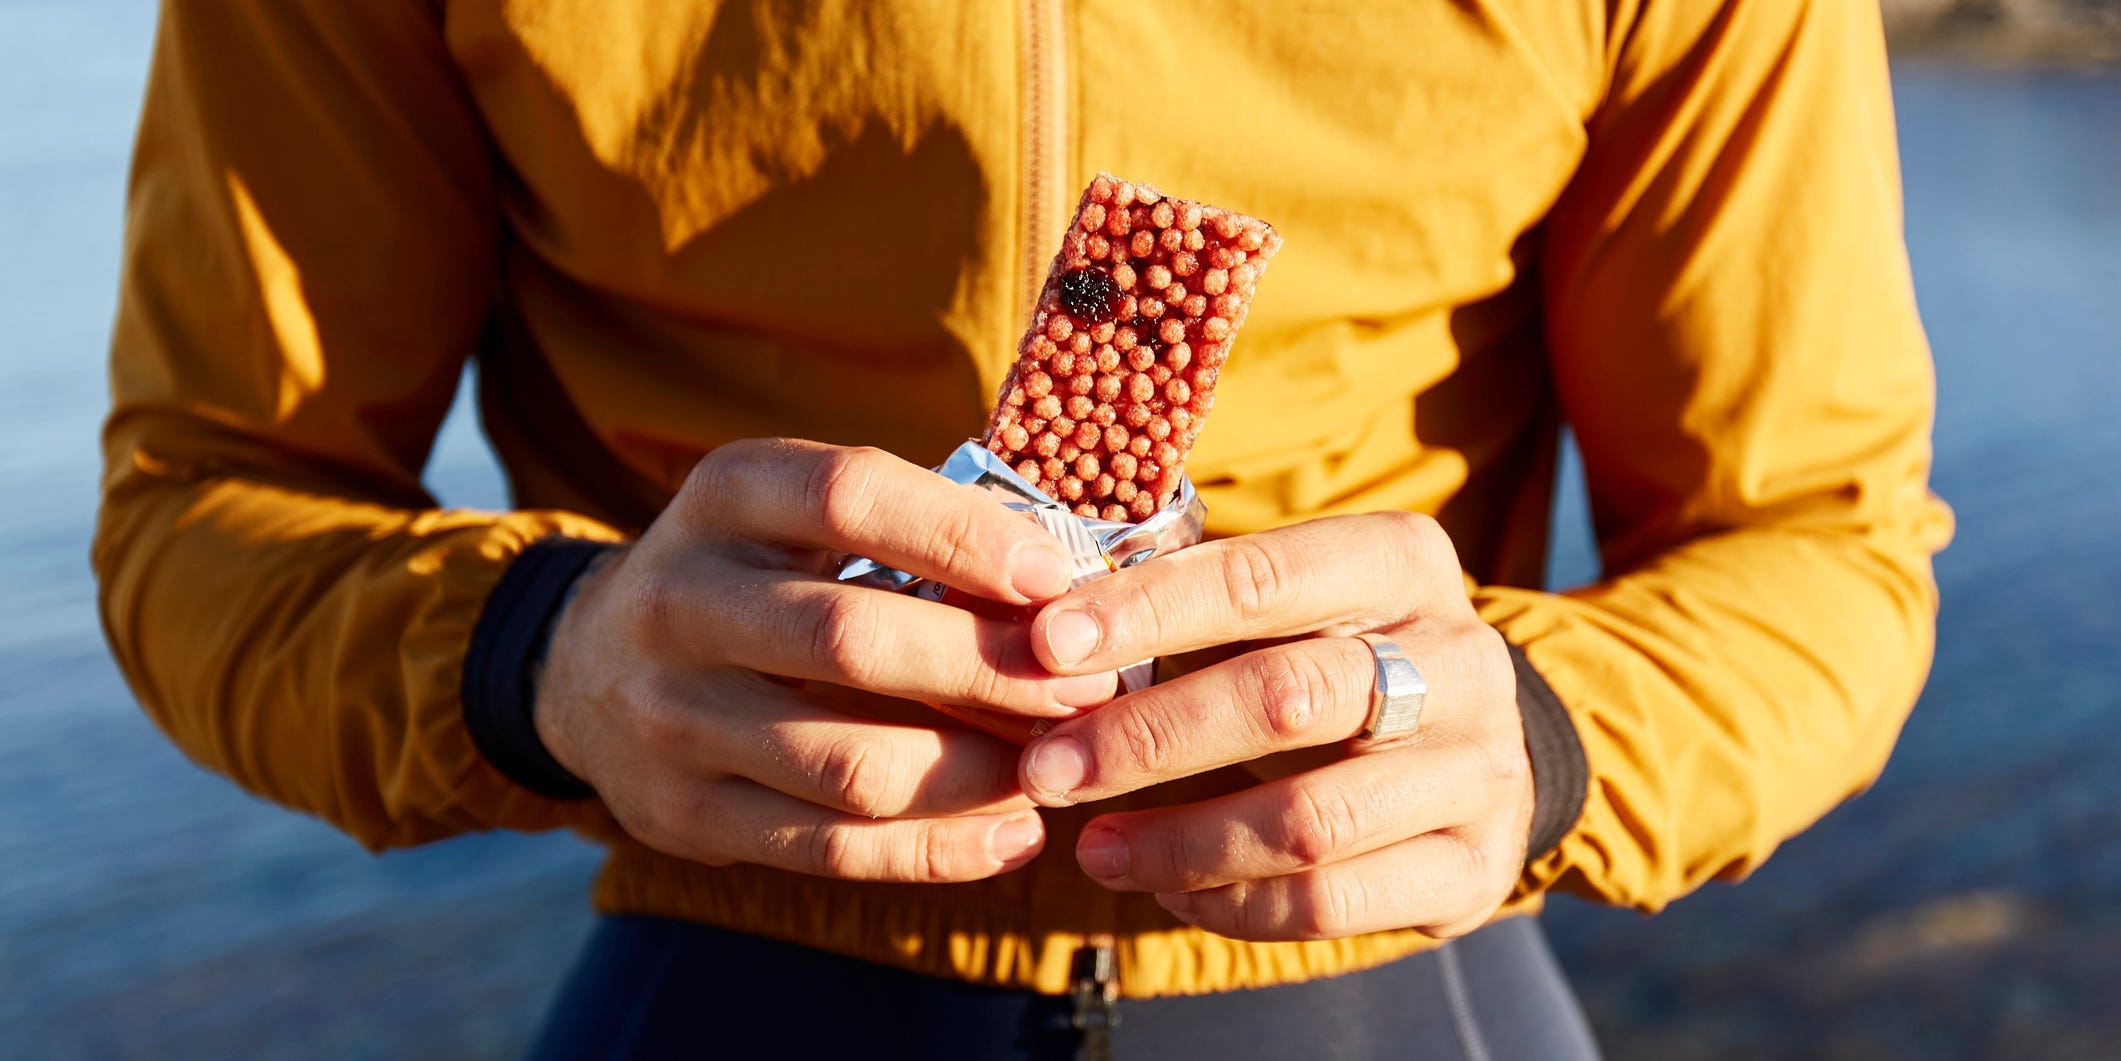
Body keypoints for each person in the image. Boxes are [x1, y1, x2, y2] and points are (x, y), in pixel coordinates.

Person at [94, 1, 1951, 1057]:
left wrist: (1545, 736)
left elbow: (1816, 541)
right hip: (736, 976)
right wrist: (540, 656)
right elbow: (200, 506)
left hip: (1396, 981)